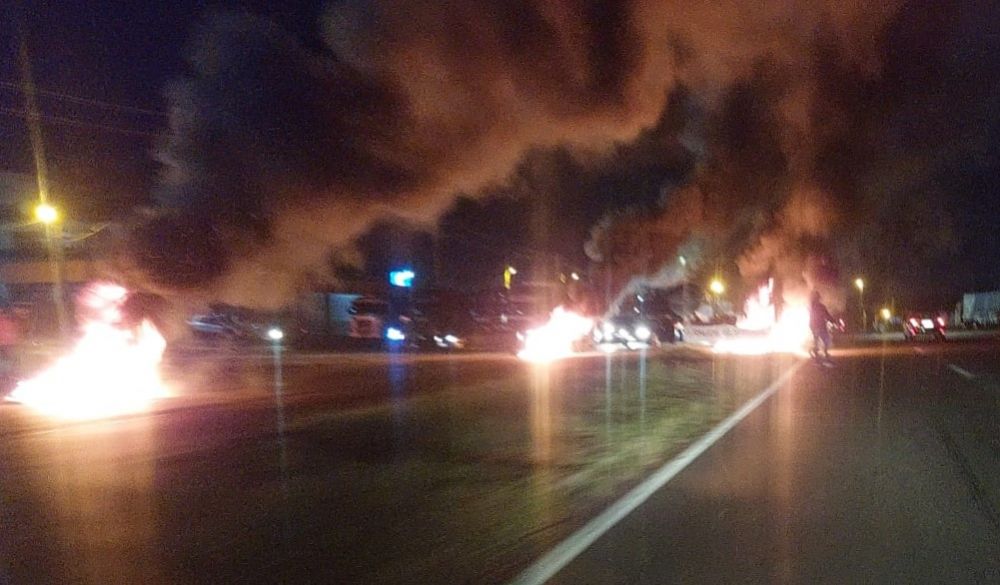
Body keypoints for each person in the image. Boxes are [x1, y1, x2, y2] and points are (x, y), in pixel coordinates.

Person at [809, 291, 833, 362]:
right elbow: (827, 315)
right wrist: (832, 321)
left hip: (816, 326)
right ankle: (821, 353)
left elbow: (826, 315)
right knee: (826, 340)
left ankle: (816, 352)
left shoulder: (813, 306)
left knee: (818, 341)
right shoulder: (820, 307)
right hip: (819, 326)